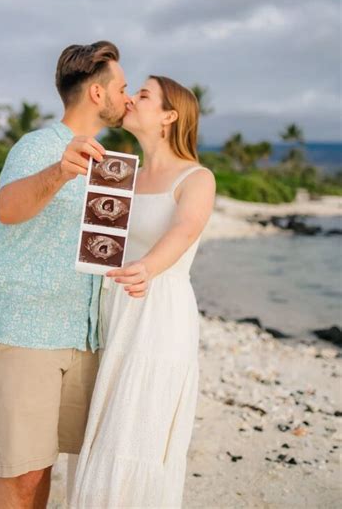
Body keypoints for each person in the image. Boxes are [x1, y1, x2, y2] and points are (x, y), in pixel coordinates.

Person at [0, 41, 132, 509]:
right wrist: (59, 172)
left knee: (43, 470)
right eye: (123, 88)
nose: (128, 97)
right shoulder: (39, 147)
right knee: (21, 474)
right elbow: (8, 208)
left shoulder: (111, 164)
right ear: (97, 95)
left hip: (80, 332)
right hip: (27, 330)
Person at [69, 75, 216, 508]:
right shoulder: (118, 171)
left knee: (136, 426)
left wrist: (147, 268)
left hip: (157, 312)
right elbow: (98, 241)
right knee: (104, 421)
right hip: (112, 308)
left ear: (170, 116)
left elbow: (185, 228)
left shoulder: (197, 177)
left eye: (145, 95)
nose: (131, 98)